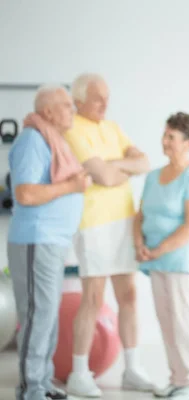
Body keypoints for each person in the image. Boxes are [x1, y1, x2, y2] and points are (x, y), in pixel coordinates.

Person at [62, 73, 153, 397]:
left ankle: (132, 369)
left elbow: (143, 162)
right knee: (94, 298)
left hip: (124, 222)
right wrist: (116, 167)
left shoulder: (112, 128)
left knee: (129, 295)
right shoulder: (71, 127)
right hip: (94, 224)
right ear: (79, 100)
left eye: (107, 97)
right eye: (98, 98)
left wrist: (115, 166)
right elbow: (101, 175)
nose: (105, 104)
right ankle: (78, 373)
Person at [7, 85, 90, 400]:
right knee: (37, 314)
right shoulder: (32, 140)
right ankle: (30, 388)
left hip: (50, 241)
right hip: (35, 240)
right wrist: (71, 186)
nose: (72, 110)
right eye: (67, 105)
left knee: (46, 313)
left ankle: (41, 382)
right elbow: (26, 194)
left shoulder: (50, 140)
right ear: (48, 111)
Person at [133, 112, 189, 399]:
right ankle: (178, 379)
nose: (165, 141)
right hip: (155, 261)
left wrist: (158, 249)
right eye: (165, 135)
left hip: (180, 261)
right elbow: (139, 216)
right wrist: (139, 243)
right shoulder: (153, 176)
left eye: (172, 137)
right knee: (166, 321)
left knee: (186, 322)